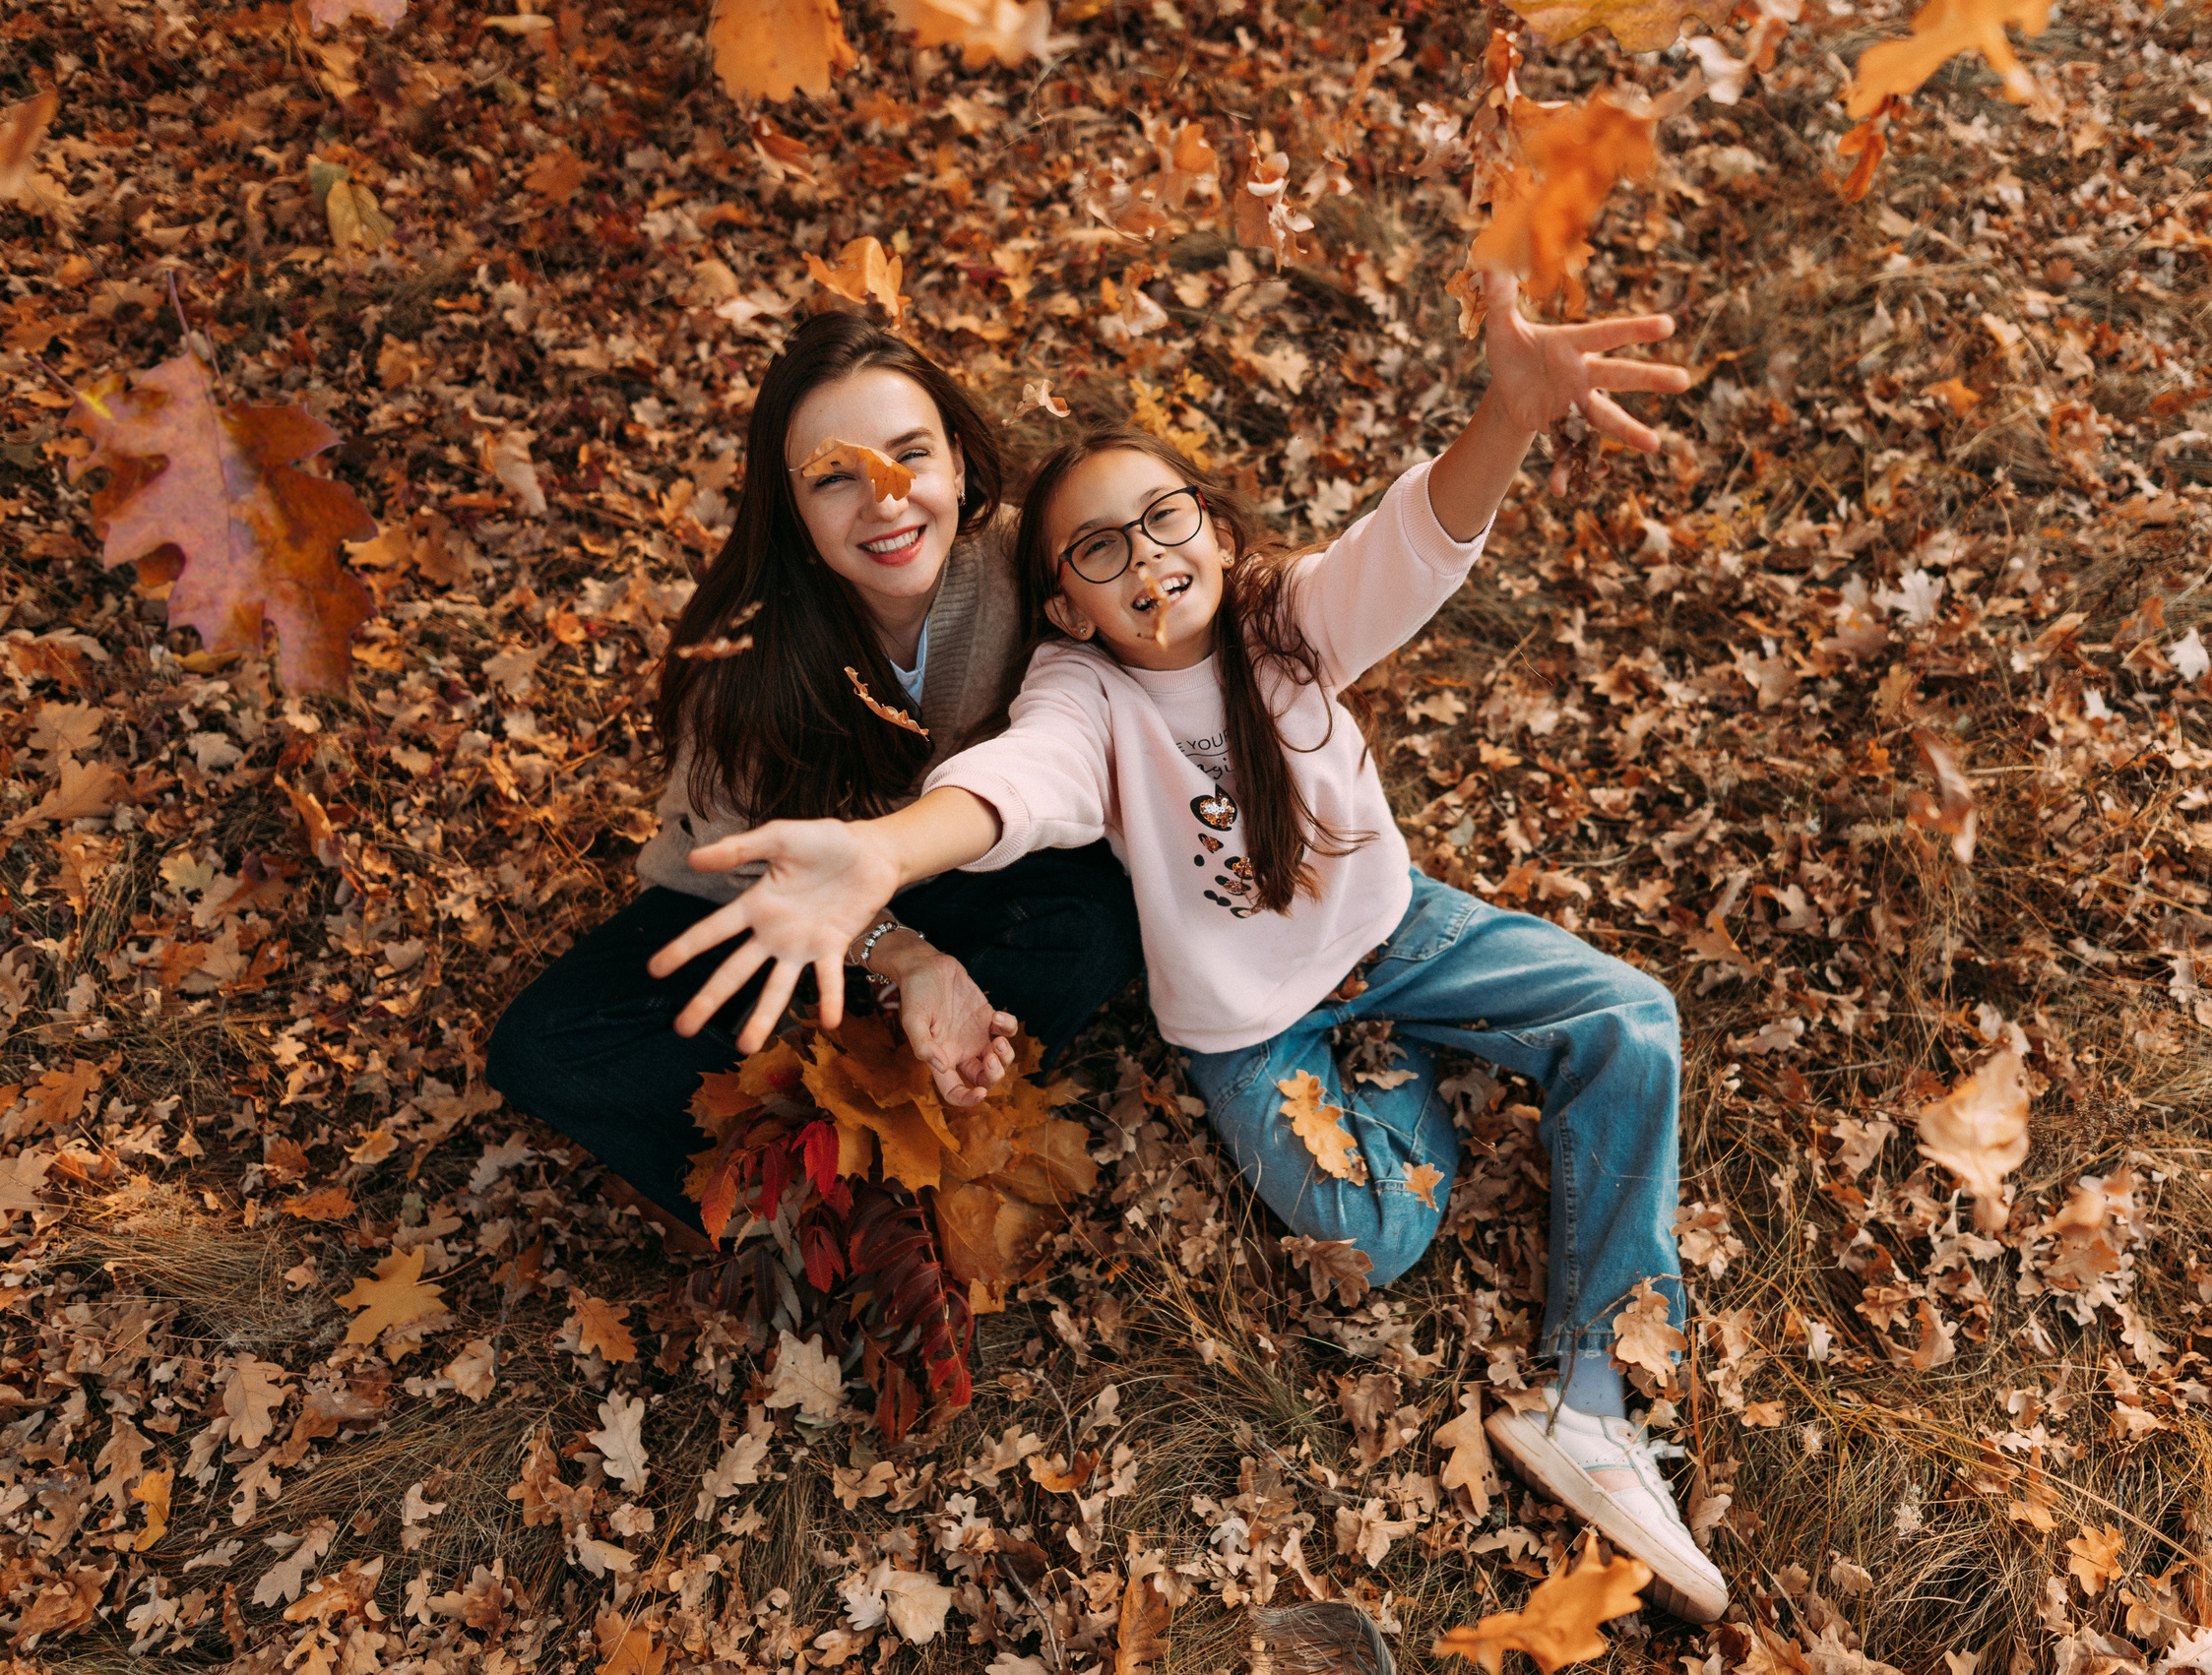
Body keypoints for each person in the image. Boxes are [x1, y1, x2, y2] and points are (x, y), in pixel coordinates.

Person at [642, 274, 1728, 1619]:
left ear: (1213, 527)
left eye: (1165, 519)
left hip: (1401, 938)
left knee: (1633, 1019)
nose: (1146, 558)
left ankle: (1595, 1405)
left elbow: (1409, 547)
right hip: (1253, 1024)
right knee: (1377, 1230)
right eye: (1098, 549)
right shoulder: (1079, 691)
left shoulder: (1288, 618)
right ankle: (1415, 1075)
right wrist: (883, 855)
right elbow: (1015, 787)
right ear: (1064, 605)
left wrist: (1505, 414)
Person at [485, 313, 1145, 1258]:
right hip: (764, 898)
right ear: (790, 504)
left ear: (959, 462)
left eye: (908, 455)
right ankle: (808, 1177)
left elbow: (1177, 609)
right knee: (545, 1044)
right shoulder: (744, 651)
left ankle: (921, 1099)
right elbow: (733, 861)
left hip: (948, 866)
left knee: (1101, 920)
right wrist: (904, 956)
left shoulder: (1018, 563)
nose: (884, 500)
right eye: (837, 476)